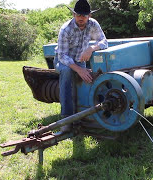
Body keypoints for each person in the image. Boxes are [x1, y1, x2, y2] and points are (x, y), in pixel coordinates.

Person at [53, 0, 108, 132]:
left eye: (84, 15)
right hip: (63, 61)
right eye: (78, 15)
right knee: (66, 72)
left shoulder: (93, 25)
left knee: (87, 79)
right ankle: (66, 119)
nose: (81, 18)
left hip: (80, 60)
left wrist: (91, 48)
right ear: (73, 14)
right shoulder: (66, 29)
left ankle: (83, 115)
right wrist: (79, 70)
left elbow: (104, 41)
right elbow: (62, 56)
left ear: (89, 15)